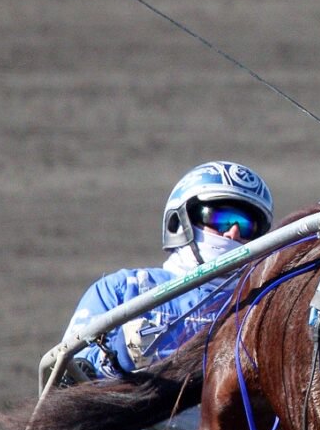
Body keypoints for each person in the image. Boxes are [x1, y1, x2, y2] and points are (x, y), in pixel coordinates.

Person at [62, 160, 275, 380]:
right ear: (179, 222)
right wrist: (115, 359)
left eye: (247, 226)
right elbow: (65, 377)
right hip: (133, 412)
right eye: (220, 219)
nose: (232, 233)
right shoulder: (123, 289)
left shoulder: (262, 306)